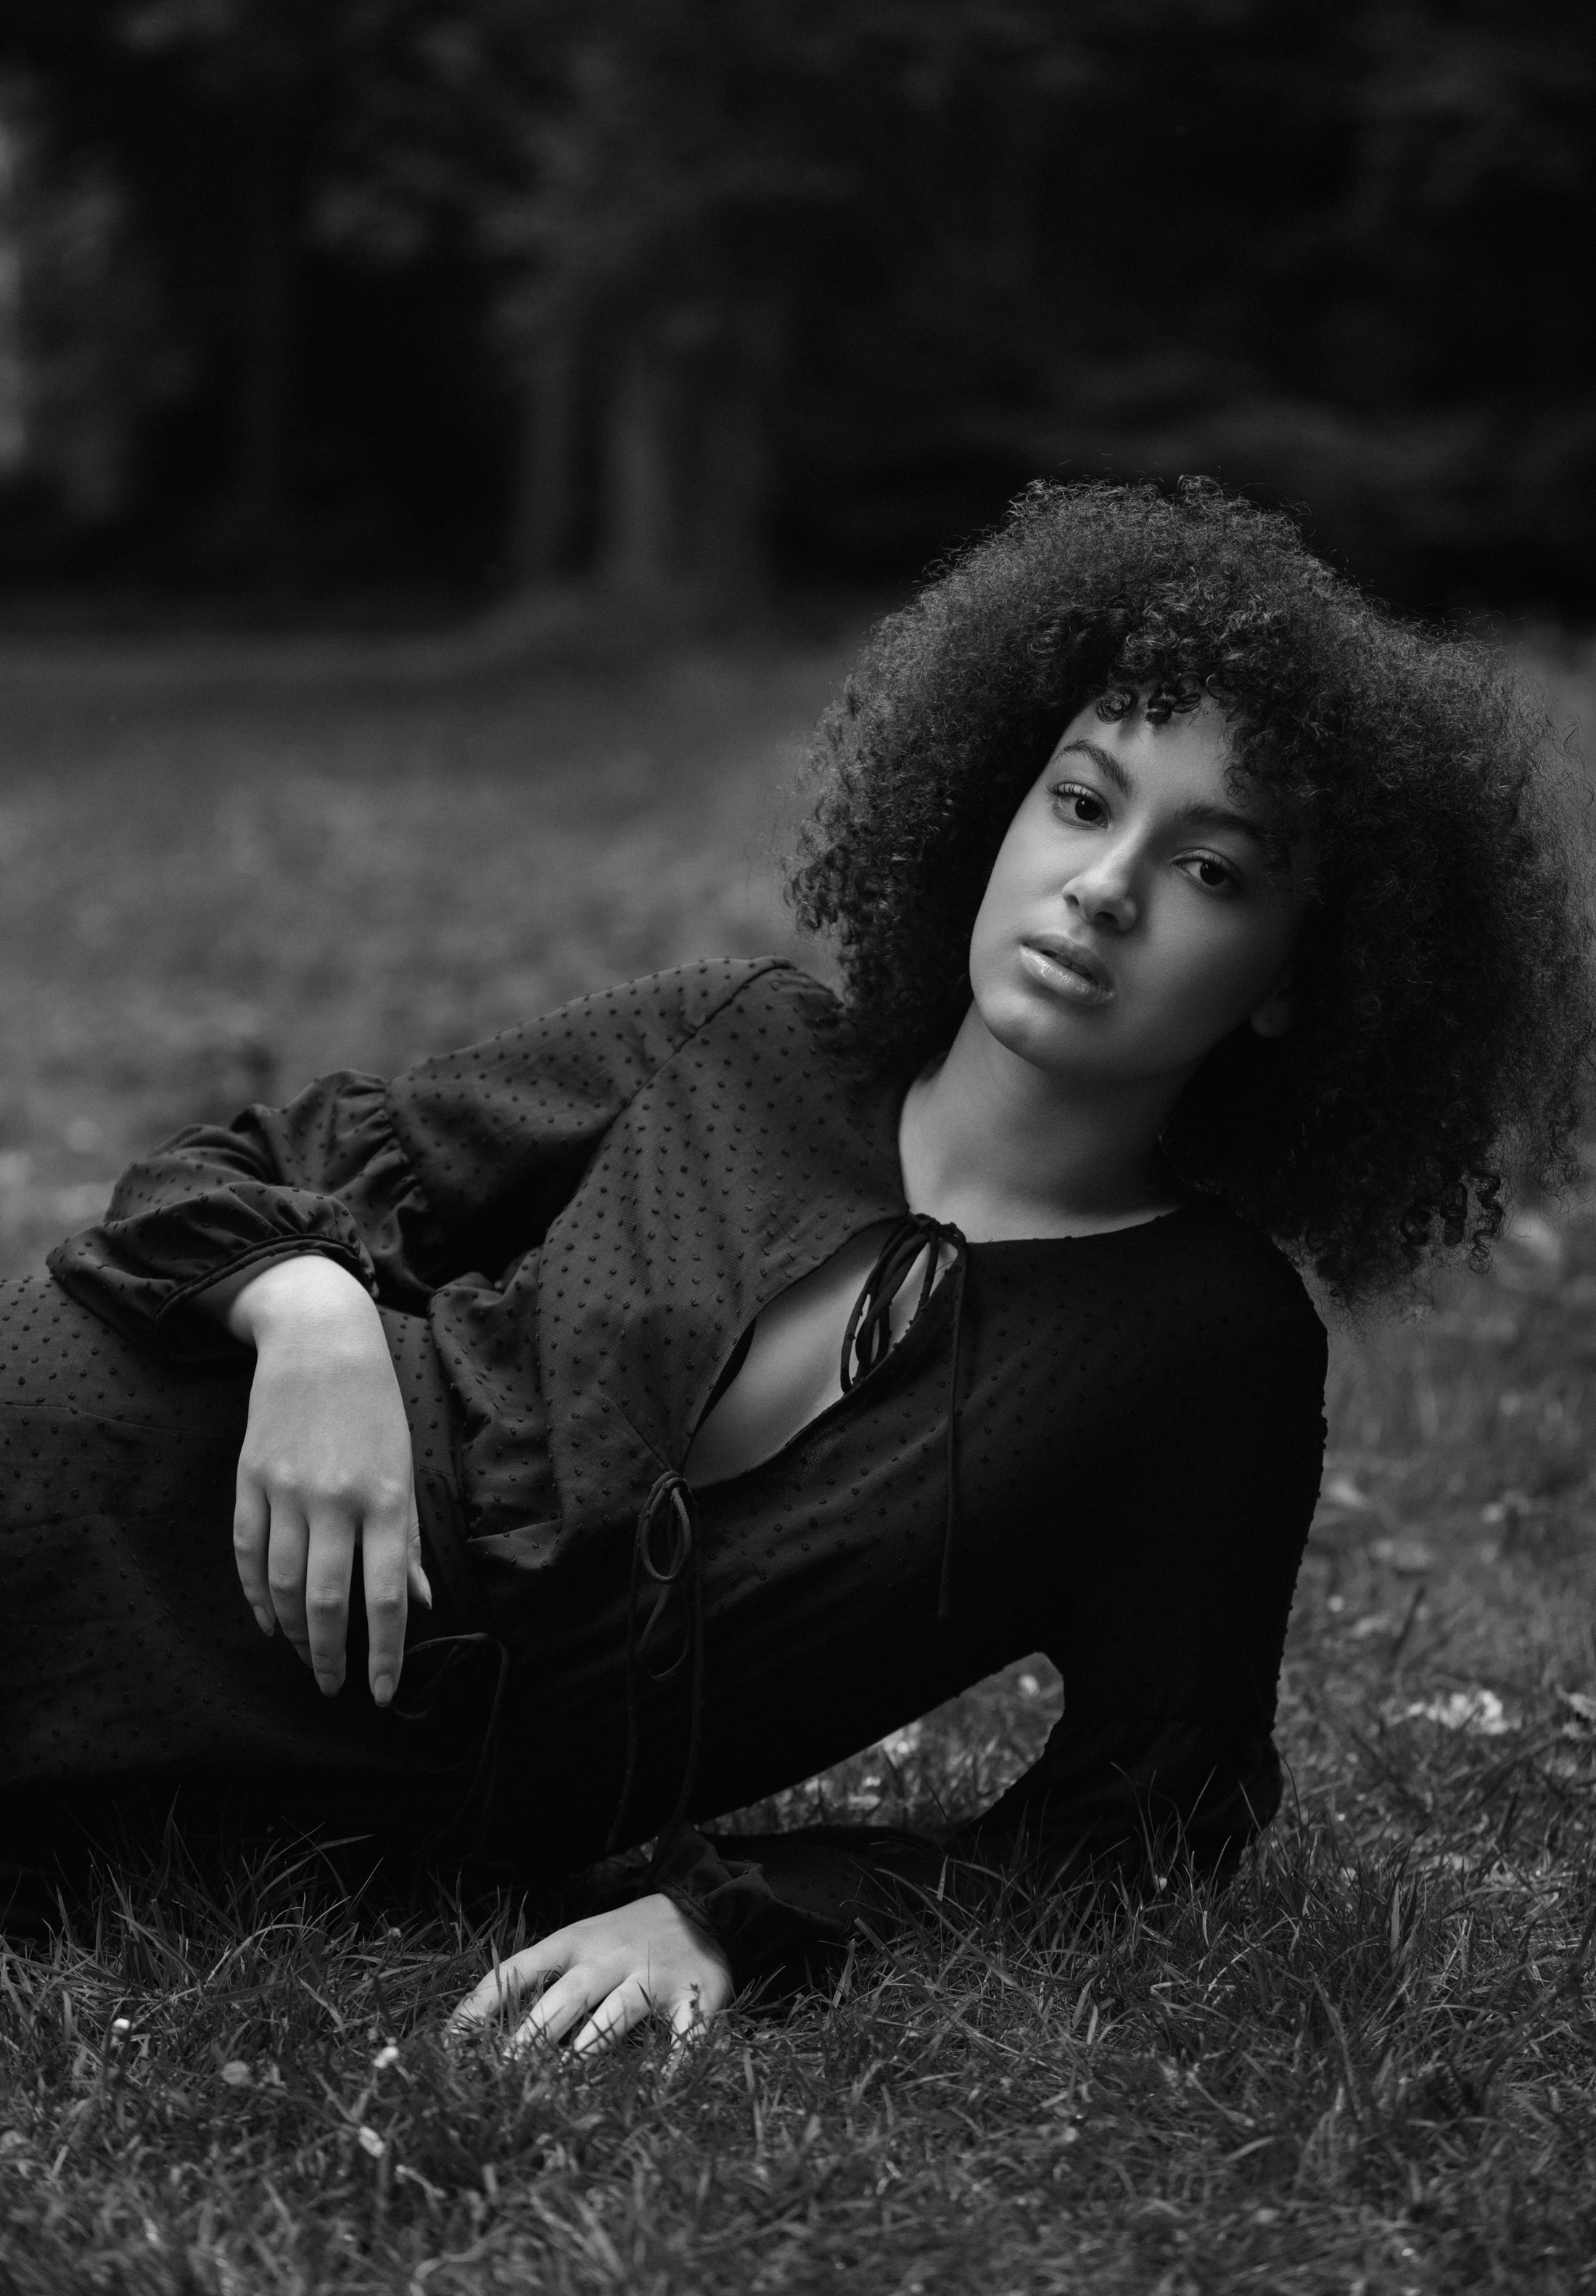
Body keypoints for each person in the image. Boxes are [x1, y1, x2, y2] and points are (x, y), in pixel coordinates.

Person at [7, 479, 1589, 2057]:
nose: (1102, 889)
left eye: (1212, 871)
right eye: (1083, 801)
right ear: (999, 809)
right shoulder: (738, 1038)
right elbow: (229, 1178)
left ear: (1295, 984)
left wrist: (731, 1907)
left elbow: (1152, 1812)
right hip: (113, 1461)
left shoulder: (1198, 1349)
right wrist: (315, 1317)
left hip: (280, 1804)